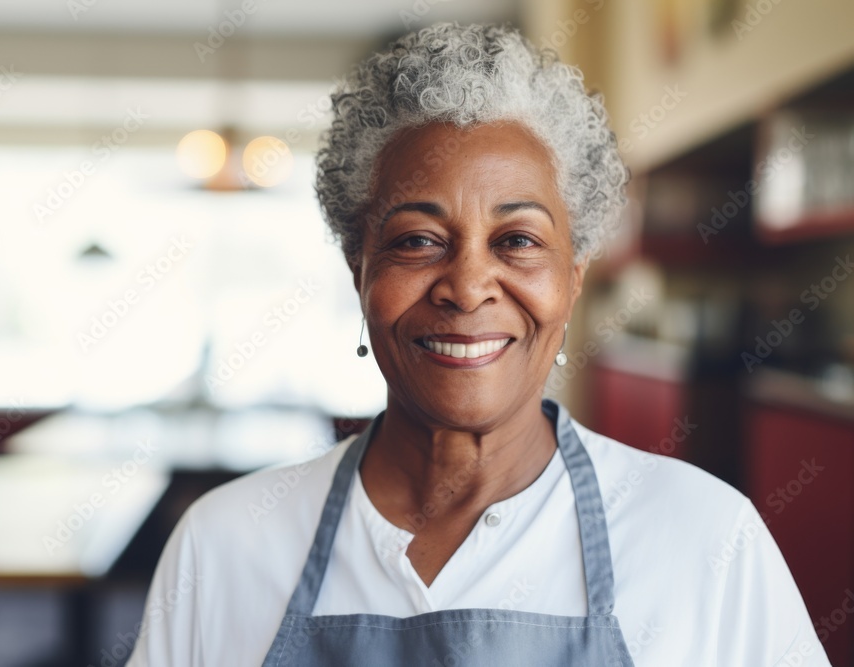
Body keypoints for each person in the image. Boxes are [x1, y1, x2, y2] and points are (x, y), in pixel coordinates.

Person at [128, 22, 828, 666]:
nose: (466, 287)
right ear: (359, 270)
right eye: (417, 241)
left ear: (572, 278)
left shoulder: (706, 541)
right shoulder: (222, 546)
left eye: (517, 240)